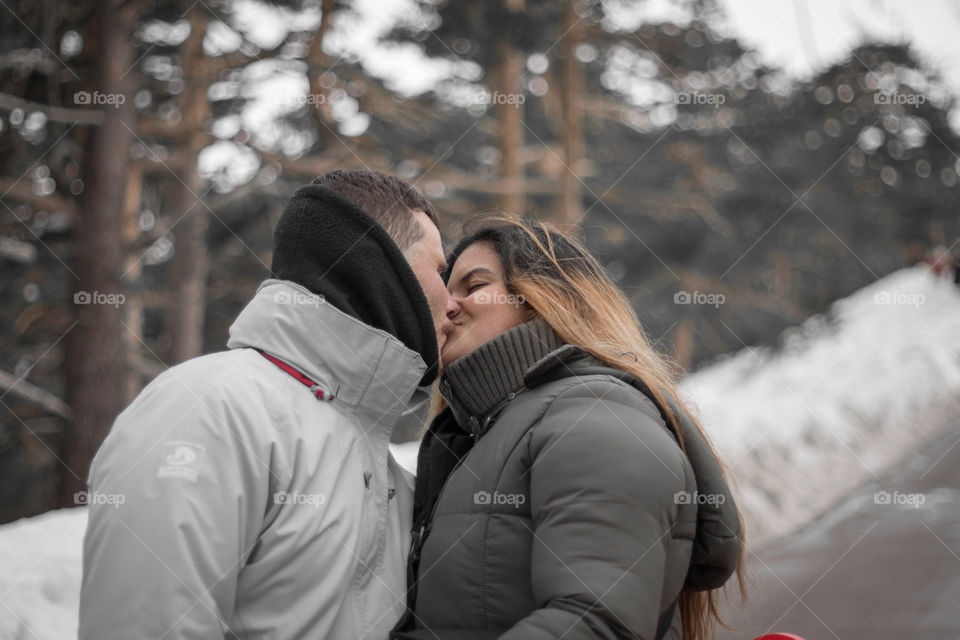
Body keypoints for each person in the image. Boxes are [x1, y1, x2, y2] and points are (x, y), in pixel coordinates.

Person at [79, 170, 458, 639]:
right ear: (380, 267)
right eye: (440, 272)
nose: (455, 300)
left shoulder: (384, 467)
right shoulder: (210, 409)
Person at [394, 217, 745, 640]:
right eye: (446, 290)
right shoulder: (484, 437)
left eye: (473, 286)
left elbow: (596, 621)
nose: (447, 307)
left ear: (539, 298)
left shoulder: (594, 418)